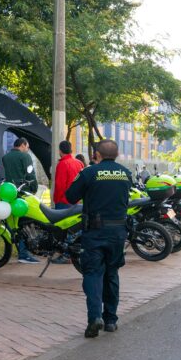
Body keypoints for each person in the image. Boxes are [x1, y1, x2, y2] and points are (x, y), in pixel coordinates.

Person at [65, 139, 132, 338]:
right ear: (117, 155)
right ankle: (111, 320)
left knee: (93, 274)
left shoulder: (89, 172)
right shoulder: (125, 173)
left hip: (94, 233)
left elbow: (70, 196)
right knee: (112, 274)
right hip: (118, 232)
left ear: (97, 155)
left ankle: (95, 318)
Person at [2, 137, 39, 263]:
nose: (27, 150)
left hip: (10, 194)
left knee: (14, 224)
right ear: (23, 145)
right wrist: (34, 188)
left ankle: (18, 250)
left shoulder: (5, 157)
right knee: (24, 224)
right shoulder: (25, 157)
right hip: (24, 193)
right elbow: (30, 175)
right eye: (27, 147)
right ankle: (24, 253)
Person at [53, 140, 84, 209]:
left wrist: (57, 200)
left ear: (60, 150)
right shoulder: (79, 163)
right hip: (76, 201)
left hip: (63, 202)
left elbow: (60, 186)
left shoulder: (62, 164)